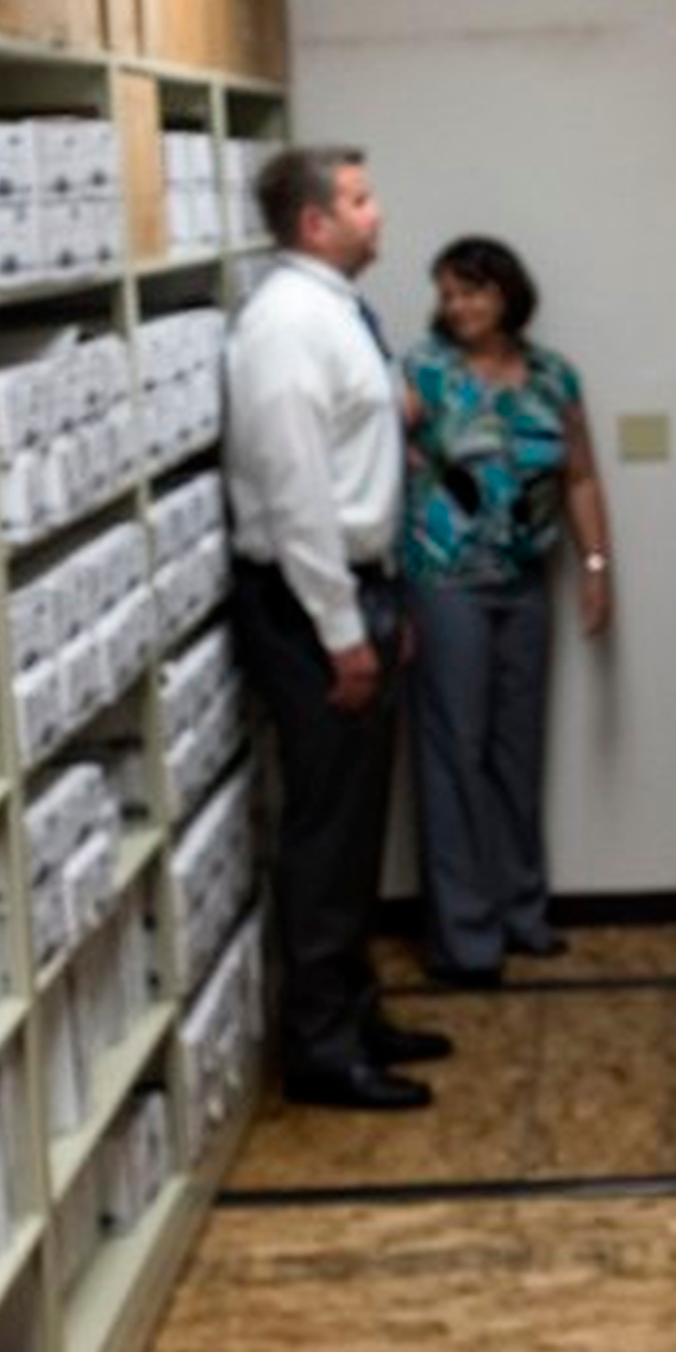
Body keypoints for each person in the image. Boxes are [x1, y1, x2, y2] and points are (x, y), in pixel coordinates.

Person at [222, 145, 450, 1109]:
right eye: (359, 199)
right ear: (315, 223)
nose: (376, 211)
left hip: (363, 586)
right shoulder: (284, 327)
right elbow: (296, 490)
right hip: (313, 601)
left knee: (357, 827)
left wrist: (380, 599)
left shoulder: (336, 314)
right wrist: (342, 630)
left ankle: (355, 1012)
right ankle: (321, 1048)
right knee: (326, 832)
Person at [396, 236, 615, 985]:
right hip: (445, 580)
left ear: (507, 294)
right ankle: (466, 938)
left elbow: (580, 477)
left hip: (526, 582)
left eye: (474, 292)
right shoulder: (422, 372)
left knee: (519, 753)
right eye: (450, 294)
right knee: (456, 752)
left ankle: (525, 913)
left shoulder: (553, 376)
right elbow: (375, 464)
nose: (460, 307)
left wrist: (596, 567)